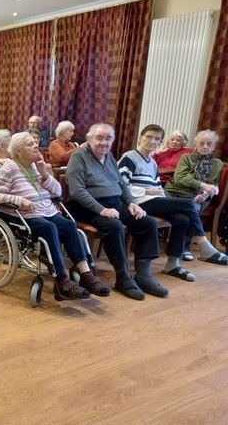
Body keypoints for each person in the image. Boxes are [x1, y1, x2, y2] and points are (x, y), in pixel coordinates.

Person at [0, 132, 110, 300]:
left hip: (47, 210)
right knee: (49, 227)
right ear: (18, 151)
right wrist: (19, 199)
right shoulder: (9, 167)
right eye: (29, 144)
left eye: (34, 143)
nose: (35, 146)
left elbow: (58, 192)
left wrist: (44, 174)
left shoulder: (35, 166)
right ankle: (62, 279)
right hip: (24, 215)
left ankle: (86, 275)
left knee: (68, 225)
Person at [65, 123, 168, 300]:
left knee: (147, 222)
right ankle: (123, 277)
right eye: (99, 138)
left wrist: (131, 203)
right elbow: (77, 191)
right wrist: (102, 209)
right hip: (85, 206)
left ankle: (143, 275)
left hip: (115, 203)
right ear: (89, 138)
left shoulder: (110, 156)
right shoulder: (79, 157)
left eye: (108, 138)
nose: (104, 142)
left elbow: (121, 183)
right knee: (115, 226)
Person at [118, 124, 228, 283]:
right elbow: (121, 186)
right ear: (140, 137)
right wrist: (146, 192)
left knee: (182, 219)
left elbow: (157, 187)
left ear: (160, 142)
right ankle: (202, 243)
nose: (152, 141)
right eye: (148, 137)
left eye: (157, 139)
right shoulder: (129, 157)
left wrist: (161, 196)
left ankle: (172, 264)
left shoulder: (152, 162)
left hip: (154, 200)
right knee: (189, 205)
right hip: (137, 202)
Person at [165, 129, 227, 262]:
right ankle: (185, 248)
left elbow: (213, 183)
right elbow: (180, 178)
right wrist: (203, 186)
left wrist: (204, 194)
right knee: (186, 211)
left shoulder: (217, 163)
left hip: (197, 196)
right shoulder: (186, 158)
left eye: (209, 144)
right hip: (174, 191)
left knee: (190, 211)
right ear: (196, 144)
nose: (205, 146)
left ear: (214, 146)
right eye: (202, 143)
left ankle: (184, 247)